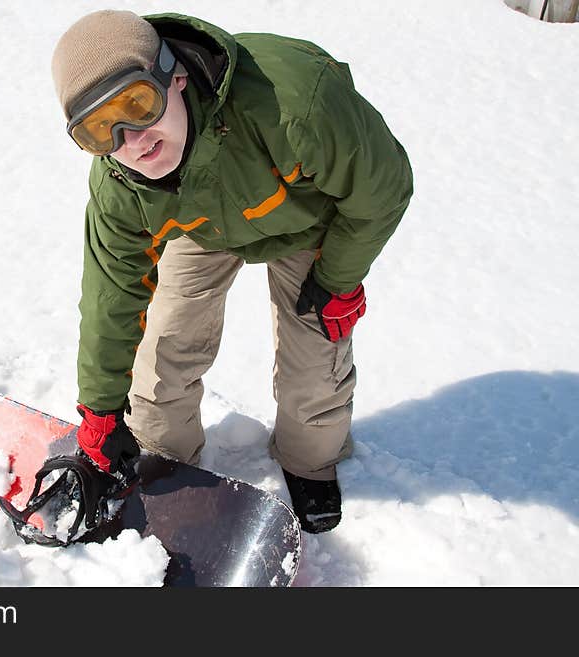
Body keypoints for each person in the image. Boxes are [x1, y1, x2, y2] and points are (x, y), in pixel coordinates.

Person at [51, 10, 413, 533]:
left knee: (314, 354)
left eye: (138, 103)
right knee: (167, 337)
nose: (132, 138)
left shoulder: (294, 104)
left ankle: (308, 462)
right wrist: (100, 409)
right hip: (201, 224)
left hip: (305, 217)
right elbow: (112, 294)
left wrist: (338, 278)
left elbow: (382, 187)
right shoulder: (123, 184)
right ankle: (163, 453)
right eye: (100, 128)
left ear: (173, 76)